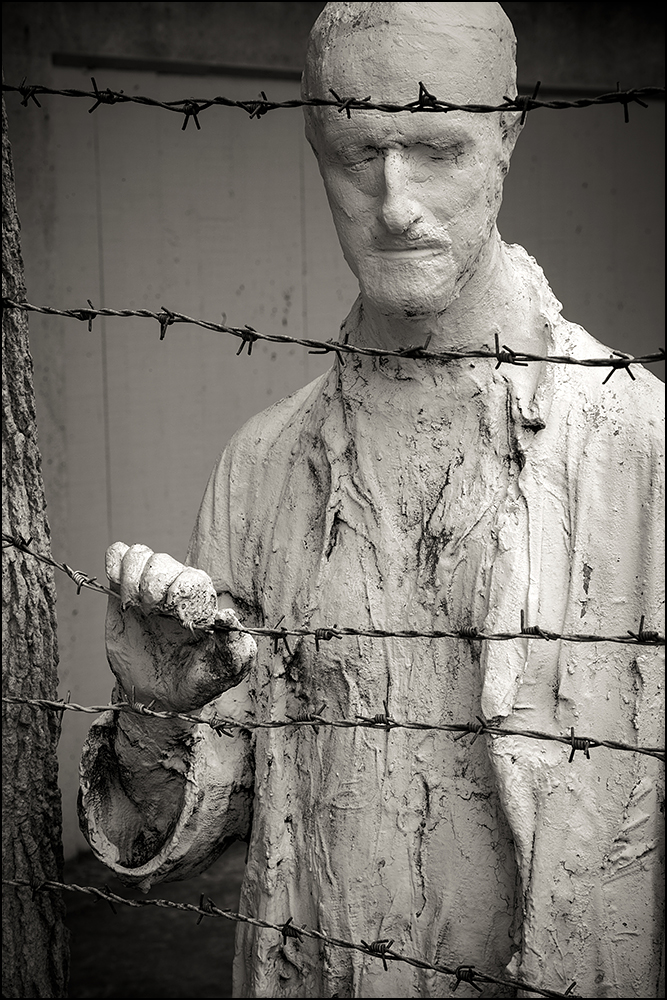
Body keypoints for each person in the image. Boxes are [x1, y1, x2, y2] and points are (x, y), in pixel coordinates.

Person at [79, 4, 665, 997]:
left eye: (437, 148)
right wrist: (151, 714)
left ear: (506, 140)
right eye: (358, 154)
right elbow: (196, 823)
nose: (395, 203)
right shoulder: (263, 467)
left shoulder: (637, 447)